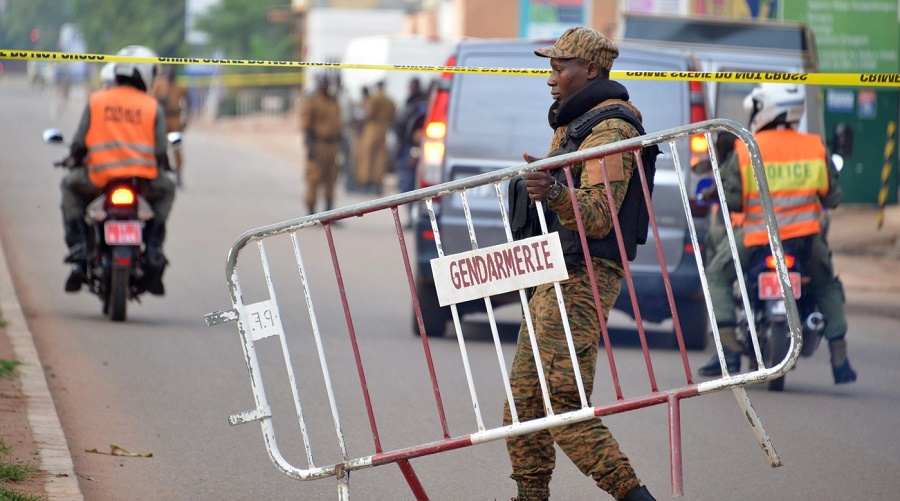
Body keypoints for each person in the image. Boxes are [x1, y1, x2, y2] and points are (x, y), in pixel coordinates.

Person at [503, 27, 655, 501]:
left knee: (560, 404)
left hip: (583, 277)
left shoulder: (612, 129)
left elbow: (597, 215)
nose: (550, 78)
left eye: (558, 67)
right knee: (525, 405)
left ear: (590, 69)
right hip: (557, 270)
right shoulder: (576, 124)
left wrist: (551, 191)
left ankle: (635, 497)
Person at [697, 83, 857, 385]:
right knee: (827, 286)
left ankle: (729, 350)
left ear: (766, 110)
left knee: (718, 276)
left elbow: (731, 199)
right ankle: (840, 358)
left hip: (758, 239)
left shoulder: (747, 147)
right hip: (806, 241)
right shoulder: (814, 146)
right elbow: (832, 198)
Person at [60, 45, 176, 295]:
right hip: (141, 181)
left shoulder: (97, 101)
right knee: (167, 188)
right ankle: (154, 245)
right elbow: (159, 149)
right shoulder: (151, 106)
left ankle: (79, 247)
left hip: (98, 178)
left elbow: (80, 142)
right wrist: (164, 165)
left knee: (69, 185)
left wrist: (72, 158)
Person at [299, 74, 343, 215]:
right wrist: (309, 148)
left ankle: (329, 212)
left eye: (327, 83)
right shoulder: (312, 101)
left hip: (332, 146)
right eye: (323, 82)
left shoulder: (333, 101)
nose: (325, 85)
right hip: (317, 145)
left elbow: (337, 123)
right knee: (314, 179)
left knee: (331, 179)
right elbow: (306, 126)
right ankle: (311, 212)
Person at [394, 77, 429, 221]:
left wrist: (415, 152)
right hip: (405, 148)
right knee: (405, 185)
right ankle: (412, 217)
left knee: (411, 184)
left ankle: (415, 217)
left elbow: (419, 131)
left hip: (413, 151)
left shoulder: (420, 105)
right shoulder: (411, 102)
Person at [150, 66, 190, 187]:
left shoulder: (180, 86)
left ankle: (178, 174)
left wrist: (186, 118)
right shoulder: (159, 85)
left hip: (175, 120)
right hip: (162, 120)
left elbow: (188, 101)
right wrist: (161, 100)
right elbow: (151, 100)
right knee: (160, 147)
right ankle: (158, 174)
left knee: (176, 147)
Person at [355, 80, 396, 195]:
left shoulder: (373, 99)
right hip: (383, 129)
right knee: (380, 157)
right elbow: (393, 114)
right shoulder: (389, 100)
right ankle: (377, 183)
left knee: (367, 156)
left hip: (371, 128)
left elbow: (369, 113)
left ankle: (365, 182)